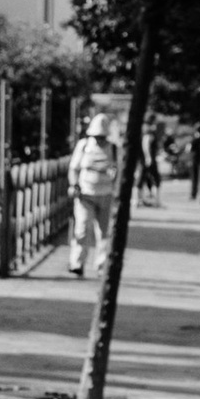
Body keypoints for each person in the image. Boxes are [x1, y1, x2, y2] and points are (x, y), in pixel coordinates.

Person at [67, 107, 118, 277]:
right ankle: (78, 263)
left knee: (104, 232)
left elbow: (119, 172)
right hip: (85, 194)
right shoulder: (84, 146)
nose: (100, 140)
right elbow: (73, 168)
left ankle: (102, 265)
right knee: (82, 228)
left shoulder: (114, 149)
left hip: (106, 194)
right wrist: (74, 185)